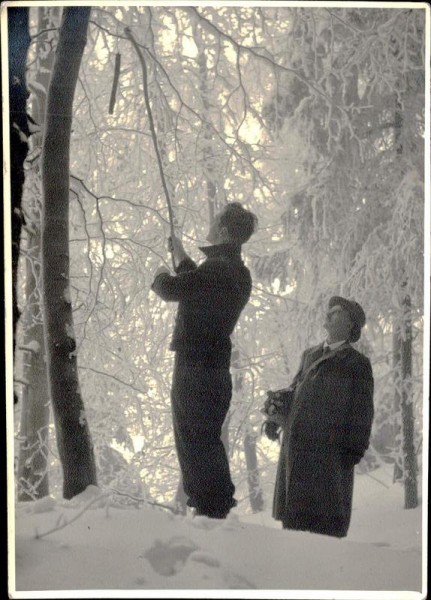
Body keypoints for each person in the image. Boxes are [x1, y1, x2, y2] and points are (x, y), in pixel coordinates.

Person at [151, 203, 258, 519]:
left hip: (193, 369)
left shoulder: (216, 270)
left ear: (223, 231)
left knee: (192, 440)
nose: (210, 226)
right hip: (214, 371)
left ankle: (211, 512)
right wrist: (182, 256)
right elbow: (197, 286)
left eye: (215, 223)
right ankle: (213, 508)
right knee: (205, 439)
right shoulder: (237, 273)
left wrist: (159, 273)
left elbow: (172, 289)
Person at [262, 296, 374, 538]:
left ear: (350, 324)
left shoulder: (357, 364)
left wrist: (349, 455)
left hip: (327, 463)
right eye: (329, 311)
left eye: (336, 312)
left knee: (323, 534)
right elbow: (294, 391)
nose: (328, 315)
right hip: (295, 456)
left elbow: (362, 414)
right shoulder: (309, 355)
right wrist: (274, 416)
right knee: (292, 531)